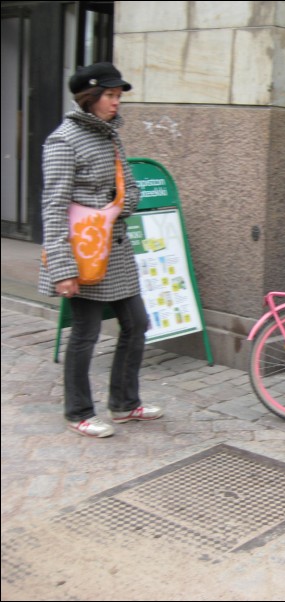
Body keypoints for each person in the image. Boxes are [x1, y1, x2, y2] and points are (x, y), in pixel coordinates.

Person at [38, 62, 163, 438]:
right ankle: (78, 411)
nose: (116, 103)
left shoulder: (110, 136)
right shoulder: (63, 140)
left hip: (117, 250)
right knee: (86, 333)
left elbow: (131, 190)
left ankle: (124, 404)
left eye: (118, 96)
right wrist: (62, 268)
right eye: (109, 95)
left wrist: (116, 206)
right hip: (84, 254)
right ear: (89, 98)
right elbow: (54, 205)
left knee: (137, 323)